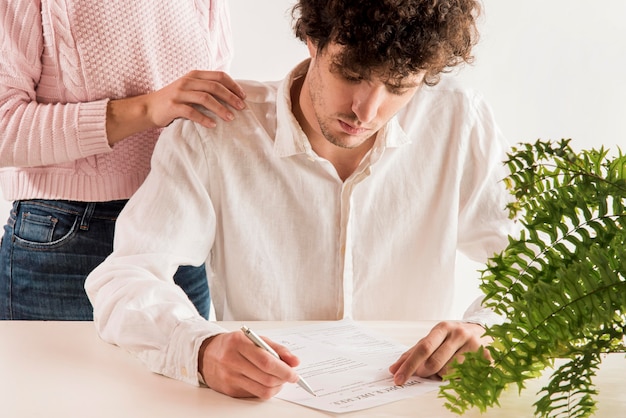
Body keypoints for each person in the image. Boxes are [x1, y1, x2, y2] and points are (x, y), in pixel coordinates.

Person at [86, 0, 515, 399]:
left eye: (399, 87)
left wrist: (486, 328)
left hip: (418, 402)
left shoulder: (460, 122)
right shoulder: (216, 132)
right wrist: (200, 348)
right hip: (272, 403)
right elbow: (125, 277)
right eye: (350, 74)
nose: (366, 111)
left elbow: (538, 262)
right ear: (313, 39)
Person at [0, 1, 247, 320]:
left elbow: (211, 107)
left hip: (178, 228)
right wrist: (145, 110)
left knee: (178, 369)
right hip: (66, 239)